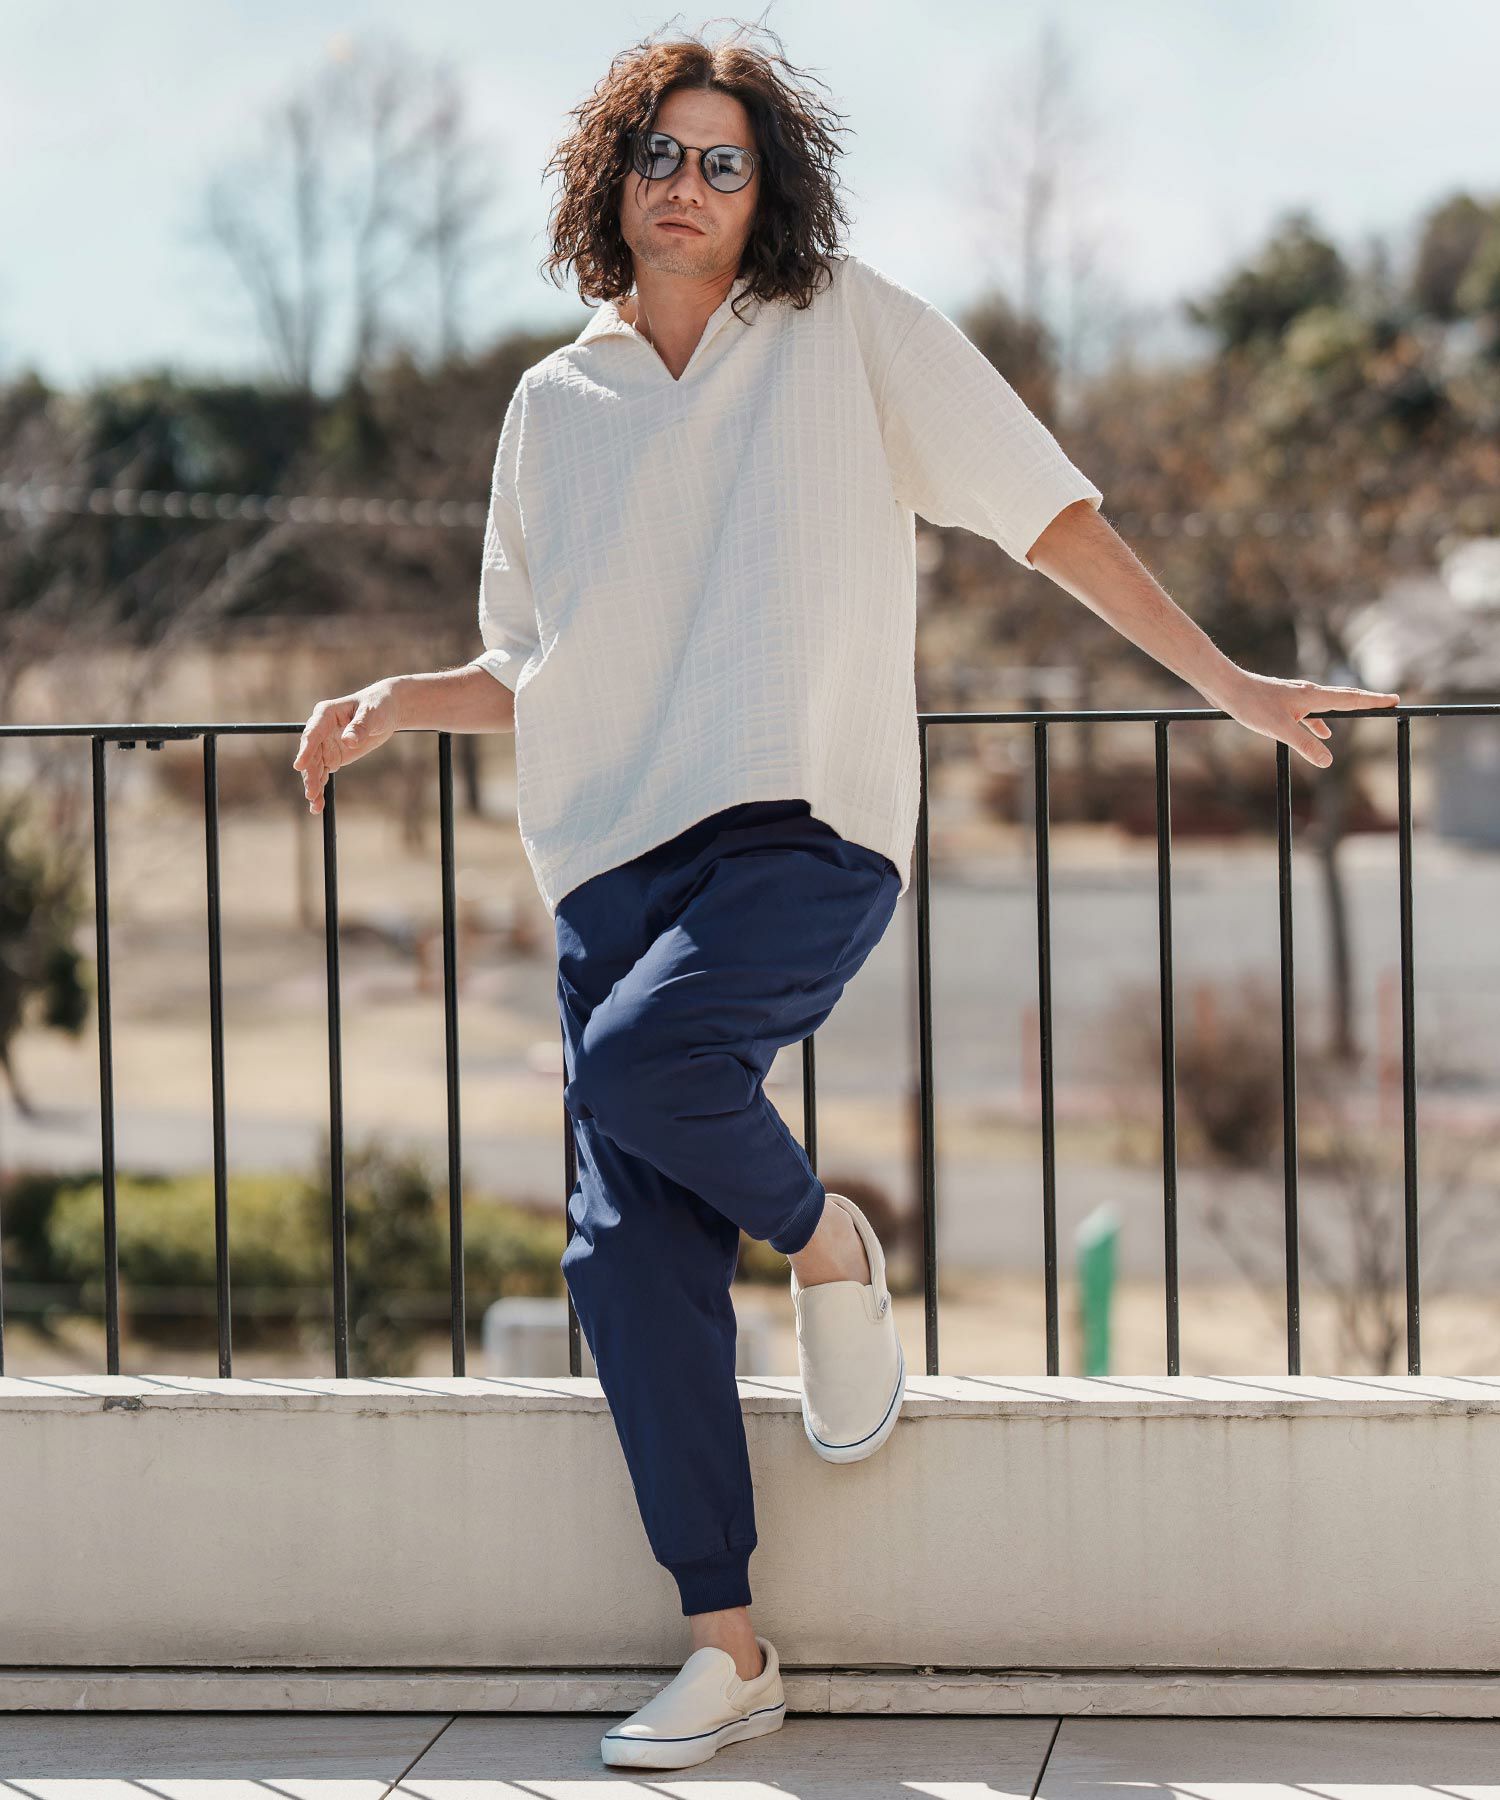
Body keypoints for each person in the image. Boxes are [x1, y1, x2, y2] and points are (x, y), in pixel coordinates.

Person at [292, 23, 1400, 1773]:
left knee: (651, 1066)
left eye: (724, 162)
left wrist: (1232, 684)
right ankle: (729, 1651)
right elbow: (533, 664)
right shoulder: (552, 406)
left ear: (769, 191)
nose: (688, 185)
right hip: (605, 858)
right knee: (621, 1261)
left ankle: (827, 1243)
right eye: (661, 155)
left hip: (801, 828)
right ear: (614, 179)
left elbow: (1043, 511)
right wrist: (393, 700)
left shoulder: (842, 330)